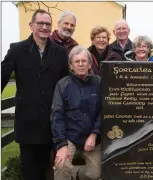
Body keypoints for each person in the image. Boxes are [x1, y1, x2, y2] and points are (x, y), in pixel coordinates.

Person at [1, 9, 69, 180]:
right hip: (27, 124)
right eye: (40, 23)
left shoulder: (60, 52)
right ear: (31, 25)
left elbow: (66, 85)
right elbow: (2, 76)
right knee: (30, 171)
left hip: (52, 123)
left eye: (48, 24)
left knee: (53, 170)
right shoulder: (16, 50)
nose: (44, 27)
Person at [51, 45, 101, 180]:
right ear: (71, 66)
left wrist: (94, 134)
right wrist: (61, 145)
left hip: (92, 137)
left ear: (90, 64)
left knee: (96, 174)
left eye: (84, 61)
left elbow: (103, 112)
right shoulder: (62, 85)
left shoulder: (99, 82)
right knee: (62, 166)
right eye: (76, 61)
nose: (80, 64)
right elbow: (57, 116)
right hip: (69, 136)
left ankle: (77, 175)